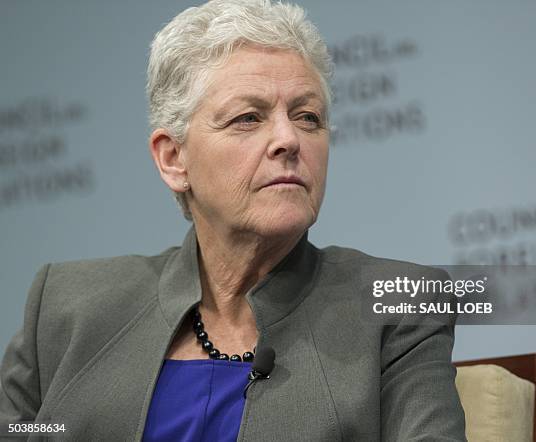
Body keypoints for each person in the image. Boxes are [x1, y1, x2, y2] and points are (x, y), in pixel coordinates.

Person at [0, 1, 466, 440]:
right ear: (173, 158)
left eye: (307, 117)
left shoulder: (404, 307)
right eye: (247, 118)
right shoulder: (66, 307)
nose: (288, 139)